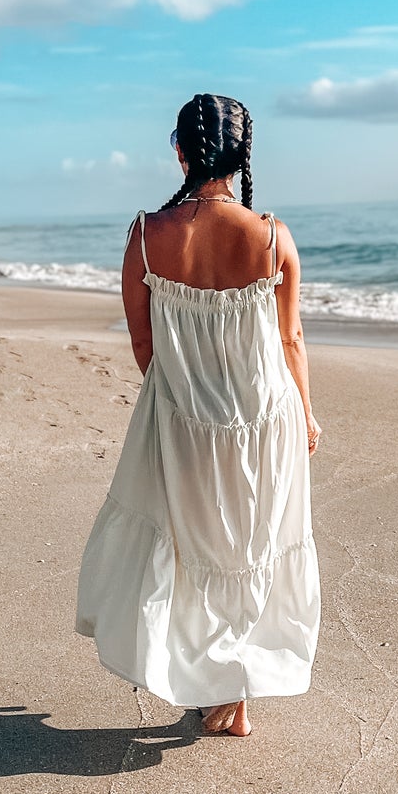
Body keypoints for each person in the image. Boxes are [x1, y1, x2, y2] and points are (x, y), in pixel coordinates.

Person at [75, 94, 322, 738]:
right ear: (242, 158)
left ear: (180, 151)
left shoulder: (146, 236)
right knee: (254, 548)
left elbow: (143, 342)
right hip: (264, 416)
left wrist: (180, 401)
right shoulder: (271, 236)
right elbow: (291, 339)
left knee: (191, 547)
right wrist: (307, 414)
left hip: (183, 416)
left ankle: (211, 683)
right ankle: (236, 695)